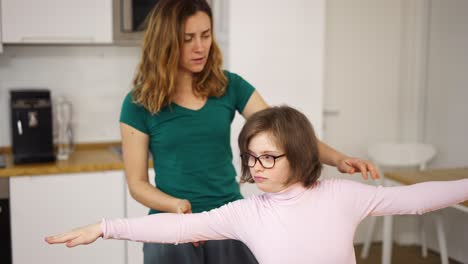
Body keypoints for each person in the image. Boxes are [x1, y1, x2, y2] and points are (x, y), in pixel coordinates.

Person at [119, 0, 378, 263]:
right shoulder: (138, 104)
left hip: (230, 219)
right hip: (172, 223)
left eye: (206, 35)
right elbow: (137, 184)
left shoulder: (229, 85)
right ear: (166, 43)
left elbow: (287, 134)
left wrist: (338, 159)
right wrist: (176, 206)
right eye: (188, 39)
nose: (200, 47)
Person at [46, 106, 468, 264]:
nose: (256, 166)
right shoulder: (247, 213)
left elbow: (412, 200)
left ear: (299, 155)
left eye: (268, 156)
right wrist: (105, 227)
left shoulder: (341, 196)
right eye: (250, 156)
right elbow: (175, 229)